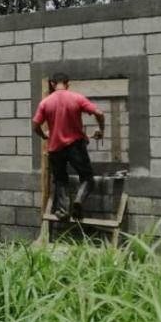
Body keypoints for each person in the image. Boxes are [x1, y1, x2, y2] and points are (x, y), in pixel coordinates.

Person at [32, 72, 105, 223]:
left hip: (55, 149)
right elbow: (99, 113)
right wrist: (101, 130)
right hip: (75, 146)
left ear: (52, 84)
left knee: (60, 180)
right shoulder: (76, 97)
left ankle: (64, 211)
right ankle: (78, 200)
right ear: (67, 83)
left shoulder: (45, 102)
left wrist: (44, 136)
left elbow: (35, 125)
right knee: (87, 178)